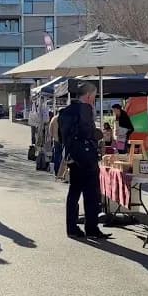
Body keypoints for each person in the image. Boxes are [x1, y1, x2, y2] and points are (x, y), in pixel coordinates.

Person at [59, 83, 111, 240]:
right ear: (88, 95)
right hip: (87, 158)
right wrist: (98, 134)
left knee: (74, 192)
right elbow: (87, 132)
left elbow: (62, 136)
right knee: (92, 193)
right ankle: (91, 227)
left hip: (73, 157)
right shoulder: (86, 109)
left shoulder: (65, 112)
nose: (94, 99)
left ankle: (72, 227)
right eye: (94, 96)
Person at [49, 111, 62, 178]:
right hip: (64, 141)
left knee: (56, 155)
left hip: (56, 140)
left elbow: (50, 130)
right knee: (63, 156)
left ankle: (56, 171)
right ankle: (62, 172)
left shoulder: (54, 119)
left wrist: (52, 137)